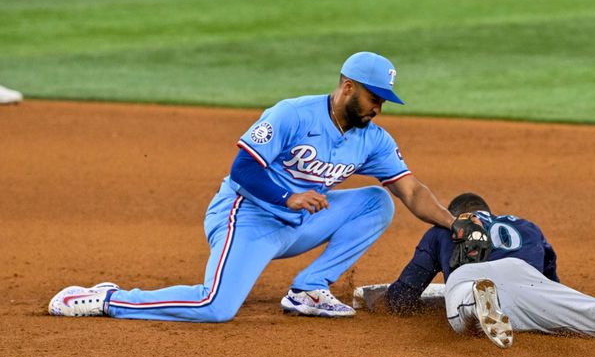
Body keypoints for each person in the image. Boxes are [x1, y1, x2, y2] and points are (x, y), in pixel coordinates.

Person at [49, 52, 457, 321]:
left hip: (300, 224)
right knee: (216, 307)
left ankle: (310, 290)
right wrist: (288, 196)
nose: (378, 108)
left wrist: (455, 223)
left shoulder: (374, 139)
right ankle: (109, 299)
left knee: (377, 202)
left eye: (384, 101)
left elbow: (412, 192)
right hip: (247, 217)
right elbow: (243, 168)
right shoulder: (291, 114)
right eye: (374, 97)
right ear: (347, 87)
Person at [377, 192, 595, 348]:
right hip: (525, 277)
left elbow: (405, 297)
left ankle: (474, 301)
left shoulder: (444, 227)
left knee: (461, 313)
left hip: (471, 278)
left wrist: (387, 301)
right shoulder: (526, 226)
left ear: (455, 214)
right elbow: (550, 282)